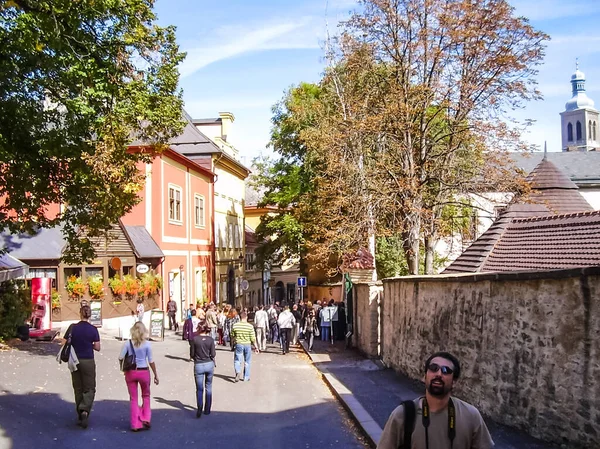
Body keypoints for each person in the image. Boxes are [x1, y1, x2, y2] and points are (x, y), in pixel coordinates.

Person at [377, 352, 494, 449]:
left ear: (454, 382)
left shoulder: (471, 416)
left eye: (446, 370)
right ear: (425, 376)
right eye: (433, 368)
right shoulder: (403, 415)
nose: (439, 374)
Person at [118, 322, 159, 432]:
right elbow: (151, 360)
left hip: (131, 372)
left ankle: (135, 424)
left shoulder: (128, 344)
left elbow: (120, 357)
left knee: (133, 399)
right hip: (143, 372)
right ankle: (146, 418)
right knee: (146, 395)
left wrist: (123, 369)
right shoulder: (147, 344)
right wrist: (155, 374)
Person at [69, 304, 101, 429]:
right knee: (89, 388)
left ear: (80, 313)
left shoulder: (73, 328)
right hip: (88, 360)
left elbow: (65, 342)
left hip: (74, 360)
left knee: (78, 387)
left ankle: (79, 412)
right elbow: (97, 347)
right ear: (90, 315)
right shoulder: (93, 329)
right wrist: (90, 345)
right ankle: (85, 410)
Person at [191, 323, 216, 418]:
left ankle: (199, 406)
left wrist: (195, 357)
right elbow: (213, 354)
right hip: (209, 364)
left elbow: (192, 353)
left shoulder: (195, 339)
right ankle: (207, 409)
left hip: (198, 365)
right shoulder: (210, 340)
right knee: (208, 386)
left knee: (199, 388)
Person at [230, 312, 259, 382]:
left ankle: (238, 371)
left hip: (239, 344)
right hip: (247, 345)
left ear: (240, 317)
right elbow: (253, 338)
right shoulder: (250, 326)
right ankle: (246, 377)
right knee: (247, 361)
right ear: (246, 318)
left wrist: (234, 341)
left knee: (237, 359)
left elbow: (232, 335)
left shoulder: (235, 325)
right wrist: (256, 347)